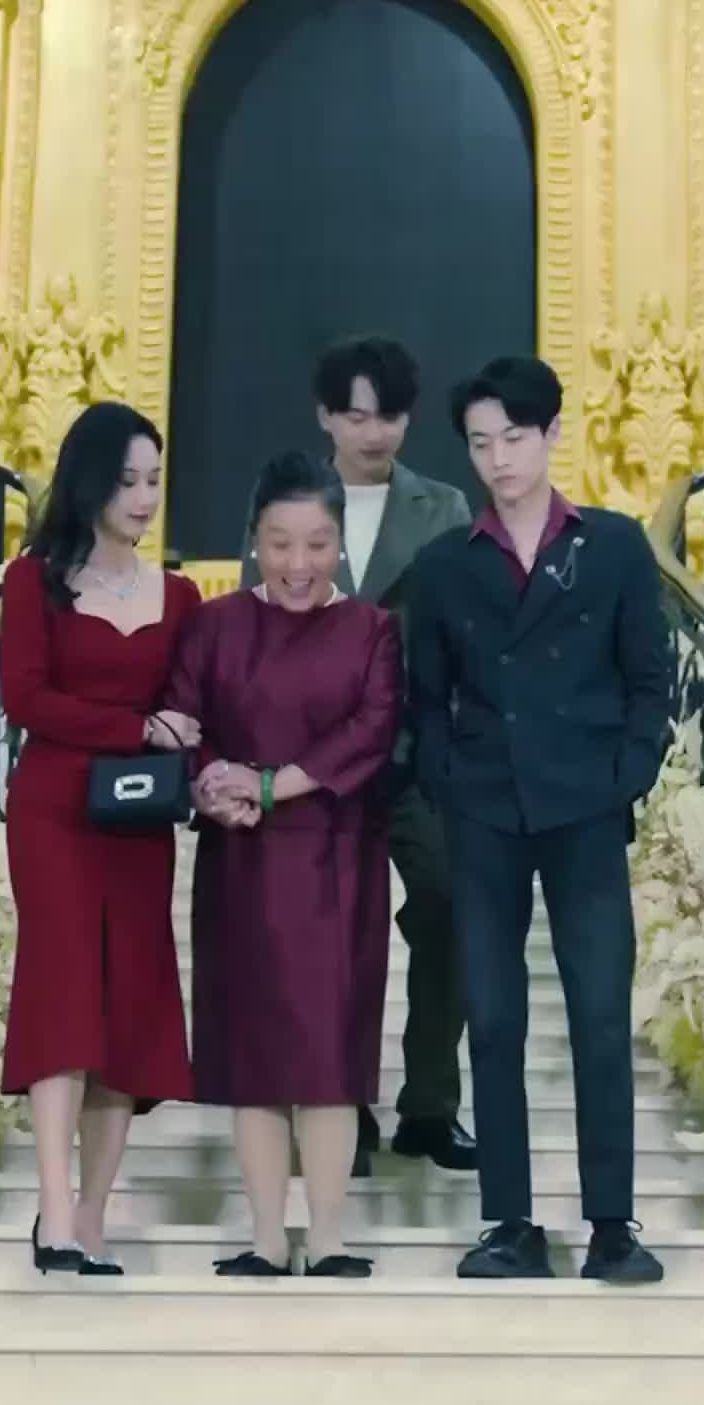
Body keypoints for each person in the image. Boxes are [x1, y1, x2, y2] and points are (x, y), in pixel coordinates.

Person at [408, 355, 672, 1285]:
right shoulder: (445, 565)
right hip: (484, 809)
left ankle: (612, 1225)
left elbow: (650, 678)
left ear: (554, 434)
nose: (499, 459)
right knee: (493, 1017)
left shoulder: (615, 546)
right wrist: (448, 780)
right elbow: (424, 698)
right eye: (481, 443)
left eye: (515, 437)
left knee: (600, 1014)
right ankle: (509, 1222)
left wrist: (628, 773)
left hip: (587, 806)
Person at [240, 336, 474, 1177]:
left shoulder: (445, 507)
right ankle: (341, 1110)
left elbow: (464, 632)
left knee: (449, 907)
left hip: (417, 757)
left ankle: (431, 1107)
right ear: (326, 416)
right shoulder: (291, 504)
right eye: (358, 416)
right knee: (332, 936)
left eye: (391, 416)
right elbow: (256, 623)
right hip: (314, 764)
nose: (375, 433)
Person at [166, 451, 403, 1278]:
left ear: (340, 543)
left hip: (338, 862)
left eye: (317, 544)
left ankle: (329, 1236)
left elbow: (371, 732)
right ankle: (267, 1237)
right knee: (254, 1051)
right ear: (254, 540)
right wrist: (211, 786)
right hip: (242, 862)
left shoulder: (372, 629)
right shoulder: (216, 624)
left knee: (331, 1052)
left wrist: (270, 785)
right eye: (279, 543)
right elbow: (184, 721)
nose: (298, 564)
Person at [0, 401, 201, 1278]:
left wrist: (183, 743)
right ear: (88, 481)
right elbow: (26, 698)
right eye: (127, 481)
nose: (144, 497)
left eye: (153, 480)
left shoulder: (182, 596)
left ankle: (91, 1214)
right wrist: (137, 728)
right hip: (54, 812)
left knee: (126, 1002)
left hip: (136, 821)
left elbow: (193, 706)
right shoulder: (34, 580)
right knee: (64, 993)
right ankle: (53, 1209)